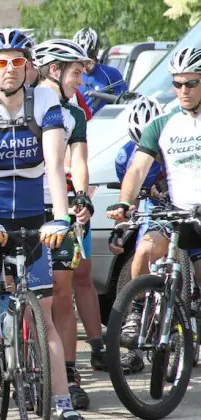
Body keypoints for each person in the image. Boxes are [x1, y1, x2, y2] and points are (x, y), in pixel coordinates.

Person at [0, 29, 82, 420]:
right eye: (0, 62)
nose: (9, 70)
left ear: (27, 65)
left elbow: (55, 164)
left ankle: (61, 402)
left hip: (32, 214)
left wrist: (61, 218)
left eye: (16, 62)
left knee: (44, 315)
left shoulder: (44, 99)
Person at [107, 47, 201, 368]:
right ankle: (137, 315)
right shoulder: (162, 124)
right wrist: (124, 201)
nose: (183, 91)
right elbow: (136, 169)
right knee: (145, 250)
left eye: (191, 84)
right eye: (177, 84)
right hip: (176, 214)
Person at [32, 39, 103, 410]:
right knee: (20, 291)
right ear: (55, 70)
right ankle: (23, 361)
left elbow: (80, 160)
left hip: (60, 208)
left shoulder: (74, 112)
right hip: (24, 207)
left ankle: (69, 371)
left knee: (61, 291)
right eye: (76, 72)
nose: (81, 79)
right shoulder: (22, 106)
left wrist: (84, 198)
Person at [73, 27, 127, 114]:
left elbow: (125, 102)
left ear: (96, 52)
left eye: (90, 56)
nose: (86, 62)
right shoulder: (70, 76)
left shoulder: (111, 74)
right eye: (81, 58)